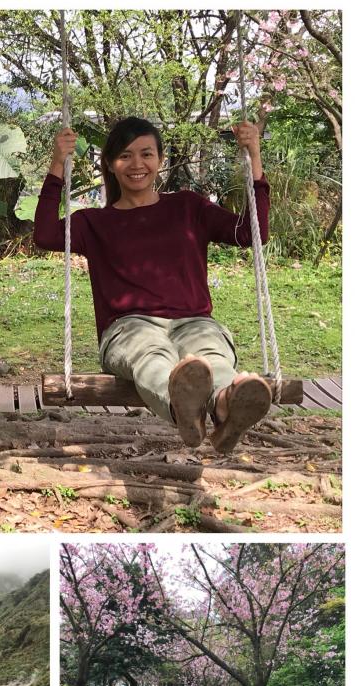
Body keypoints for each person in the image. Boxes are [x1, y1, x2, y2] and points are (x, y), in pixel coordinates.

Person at [34, 116, 272, 453]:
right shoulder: (93, 223)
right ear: (111, 164)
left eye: (147, 154)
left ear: (160, 159)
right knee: (150, 354)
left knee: (211, 357)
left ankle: (223, 404)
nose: (137, 164)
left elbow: (251, 233)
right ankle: (183, 409)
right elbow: (44, 235)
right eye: (125, 155)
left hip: (194, 321)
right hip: (129, 327)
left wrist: (255, 157)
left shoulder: (188, 207)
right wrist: (58, 162)